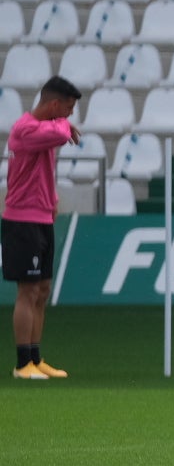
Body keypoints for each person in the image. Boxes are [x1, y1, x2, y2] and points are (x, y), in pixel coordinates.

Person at [5, 76, 82, 381]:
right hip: (22, 221)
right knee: (27, 290)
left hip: (41, 218)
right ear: (54, 104)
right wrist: (64, 127)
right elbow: (61, 133)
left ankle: (36, 358)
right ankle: (23, 363)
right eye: (68, 107)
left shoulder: (43, 132)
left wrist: (52, 199)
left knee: (42, 290)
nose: (70, 115)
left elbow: (43, 170)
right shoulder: (25, 130)